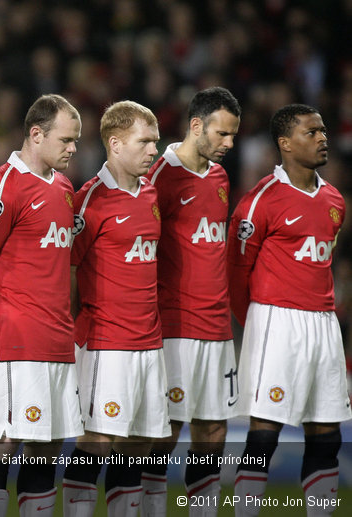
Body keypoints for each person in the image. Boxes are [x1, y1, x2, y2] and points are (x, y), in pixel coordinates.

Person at [228, 104, 351, 517]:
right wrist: (258, 325)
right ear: (285, 143)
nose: (322, 138)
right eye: (311, 132)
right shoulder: (259, 201)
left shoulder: (335, 200)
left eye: (323, 130)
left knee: (327, 435)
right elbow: (236, 271)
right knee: (264, 434)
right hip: (276, 321)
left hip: (323, 324)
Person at [0, 94, 83, 517]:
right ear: (36, 134)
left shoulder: (65, 188)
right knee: (2, 440)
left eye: (76, 141)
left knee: (47, 445)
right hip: (14, 336)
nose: (74, 149)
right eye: (67, 140)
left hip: (57, 338)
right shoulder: (3, 187)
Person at [61, 100, 169, 517]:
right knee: (98, 441)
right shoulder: (89, 201)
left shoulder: (152, 194)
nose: (153, 150)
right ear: (116, 143)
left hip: (149, 343)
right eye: (145, 142)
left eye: (156, 142)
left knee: (139, 444)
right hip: (106, 344)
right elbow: (66, 269)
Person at [140, 87, 241, 517]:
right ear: (196, 125)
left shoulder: (219, 177)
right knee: (165, 431)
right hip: (174, 325)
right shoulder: (159, 176)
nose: (229, 144)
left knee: (213, 431)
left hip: (216, 328)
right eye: (222, 134)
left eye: (234, 136)